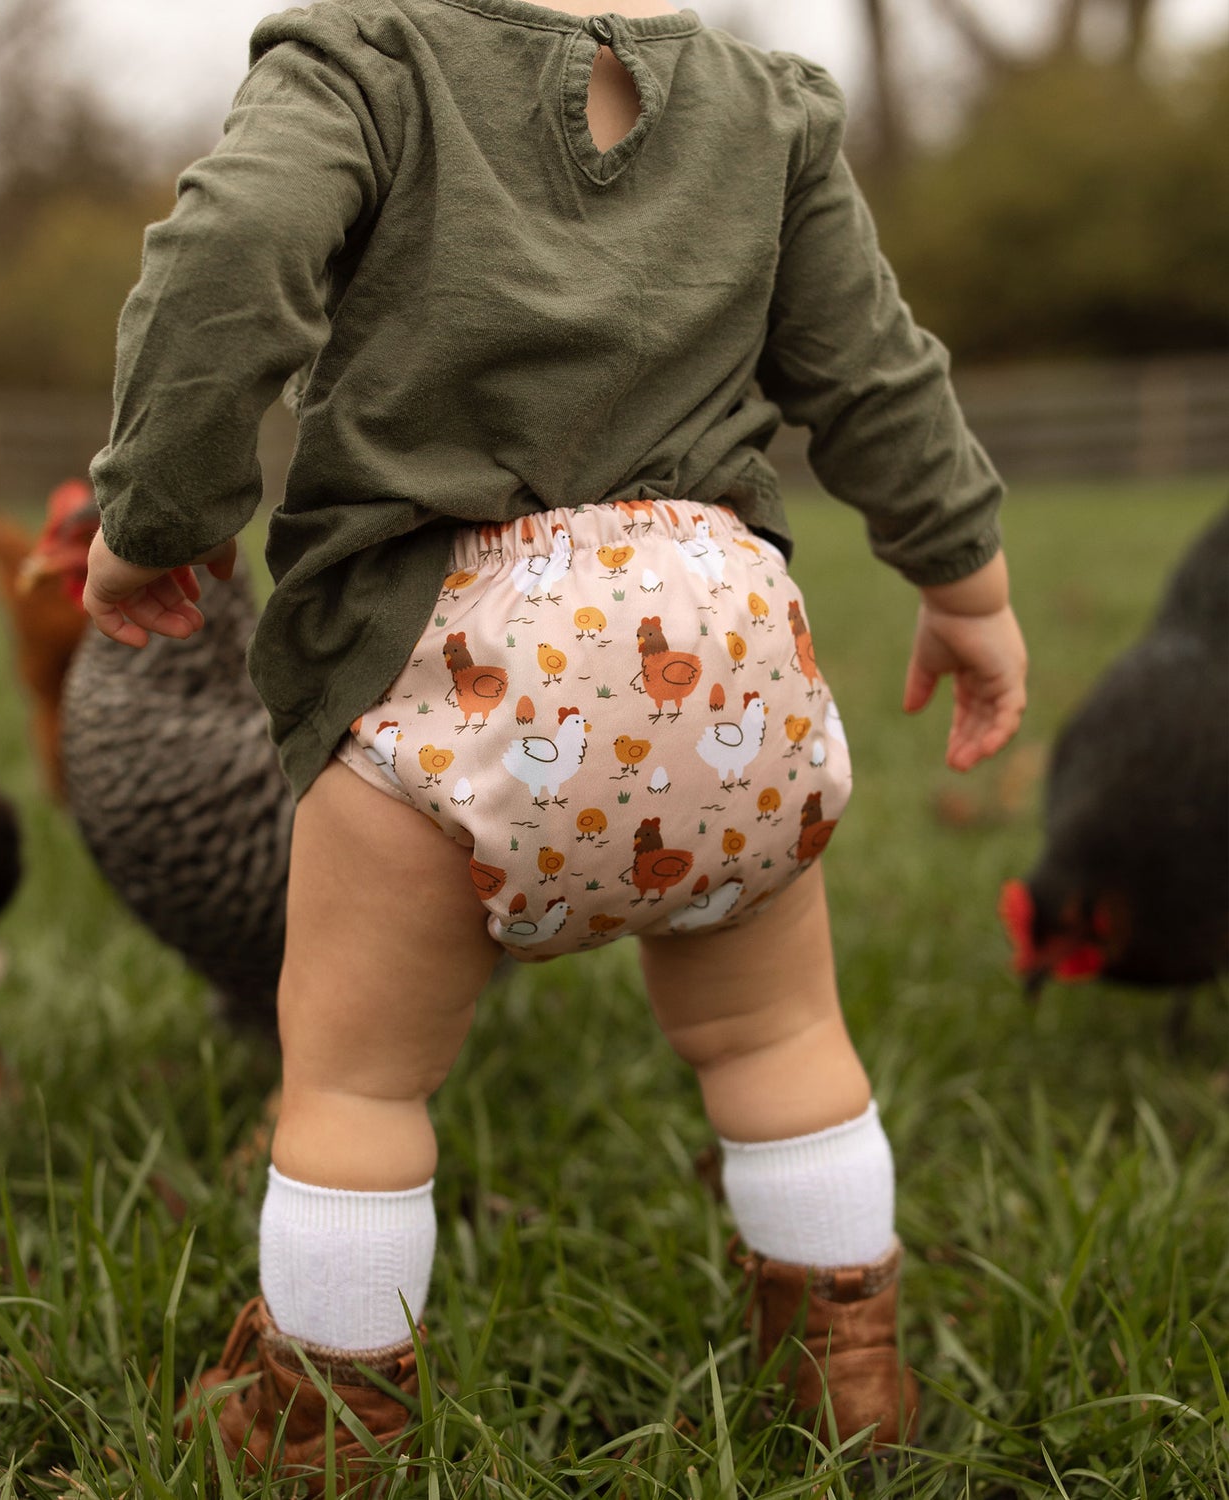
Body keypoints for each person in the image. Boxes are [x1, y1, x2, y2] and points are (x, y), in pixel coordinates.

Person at [81, 0, 1028, 1483]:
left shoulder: (370, 63)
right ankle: (847, 1365)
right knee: (779, 1035)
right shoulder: (768, 108)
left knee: (359, 1079)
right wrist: (966, 581)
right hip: (721, 646)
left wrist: (159, 517)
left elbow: (230, 253)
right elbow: (872, 373)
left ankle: (330, 1413)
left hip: (445, 642)